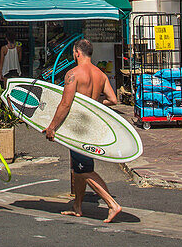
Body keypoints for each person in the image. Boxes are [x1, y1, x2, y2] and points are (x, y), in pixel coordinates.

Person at [44, 38, 123, 224]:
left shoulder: (73, 74)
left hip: (77, 129)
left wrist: (52, 127)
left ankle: (112, 204)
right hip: (91, 127)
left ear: (77, 53)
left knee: (84, 170)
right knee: (79, 168)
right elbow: (113, 100)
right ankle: (77, 206)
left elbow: (65, 104)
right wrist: (94, 104)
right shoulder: (100, 75)